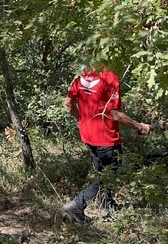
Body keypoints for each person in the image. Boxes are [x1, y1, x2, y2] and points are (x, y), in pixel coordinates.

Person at [62, 67, 151, 223]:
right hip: (106, 137)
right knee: (111, 173)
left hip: (88, 135)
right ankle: (77, 205)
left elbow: (68, 103)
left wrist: (82, 122)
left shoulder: (83, 73)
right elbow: (115, 115)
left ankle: (108, 206)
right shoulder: (110, 77)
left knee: (102, 172)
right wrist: (139, 127)